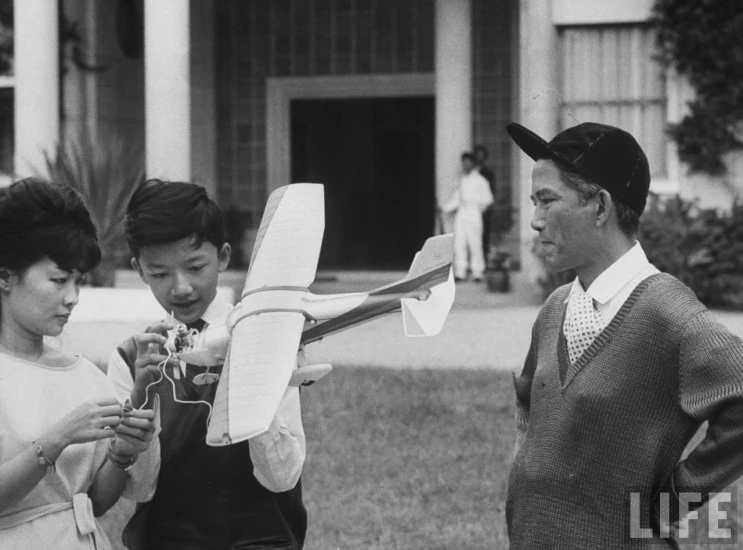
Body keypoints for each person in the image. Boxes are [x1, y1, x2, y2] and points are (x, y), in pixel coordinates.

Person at [505, 121, 743, 549]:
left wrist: (666, 506)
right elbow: (528, 400)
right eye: (533, 203)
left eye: (547, 201)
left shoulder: (670, 316)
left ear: (600, 207)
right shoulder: (554, 308)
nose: (536, 221)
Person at [107, 179, 307, 549]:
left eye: (196, 267)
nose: (181, 288)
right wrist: (142, 399)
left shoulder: (266, 338)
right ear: (138, 270)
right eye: (160, 274)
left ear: (224, 256)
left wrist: (250, 380)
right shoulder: (131, 359)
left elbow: (283, 476)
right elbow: (139, 487)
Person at [0, 178, 157, 549]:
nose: (72, 298)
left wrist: (121, 451)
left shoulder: (85, 375)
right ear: (5, 275)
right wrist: (58, 438)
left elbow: (94, 504)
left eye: (78, 281)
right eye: (58, 280)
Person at [441, 151, 494, 282]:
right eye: (463, 163)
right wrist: (445, 208)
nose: (465, 165)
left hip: (474, 212)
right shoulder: (460, 180)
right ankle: (461, 271)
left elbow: (488, 199)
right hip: (462, 213)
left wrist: (478, 207)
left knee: (475, 243)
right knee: (460, 242)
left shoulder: (481, 181)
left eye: (468, 162)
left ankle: (478, 272)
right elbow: (456, 199)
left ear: (473, 163)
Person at [473, 145, 497, 260]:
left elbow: (491, 192)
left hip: (484, 210)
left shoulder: (488, 173)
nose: (479, 158)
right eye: (477, 155)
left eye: (481, 155)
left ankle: (484, 261)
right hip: (471, 210)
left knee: (484, 236)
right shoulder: (470, 173)